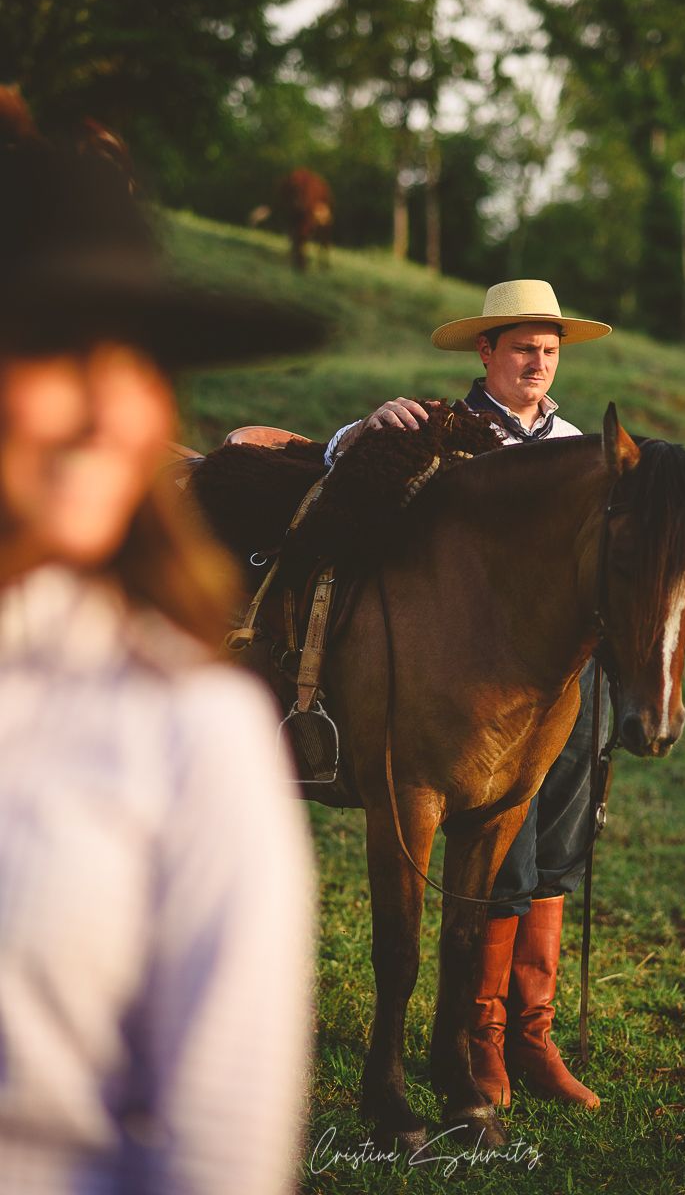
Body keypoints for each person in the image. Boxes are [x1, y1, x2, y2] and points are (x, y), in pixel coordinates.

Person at [0, 90, 318, 1194]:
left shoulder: (188, 729)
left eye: (135, 363)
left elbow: (221, 1156)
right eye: (56, 350)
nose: (104, 409)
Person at [324, 279, 611, 1111]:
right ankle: (481, 1040)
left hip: (563, 678)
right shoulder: (450, 431)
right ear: (485, 353)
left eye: (550, 348)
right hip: (475, 681)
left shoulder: (581, 447)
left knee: (557, 848)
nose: (539, 360)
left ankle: (532, 1034)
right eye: (523, 346)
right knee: (503, 860)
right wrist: (367, 424)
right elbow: (346, 459)